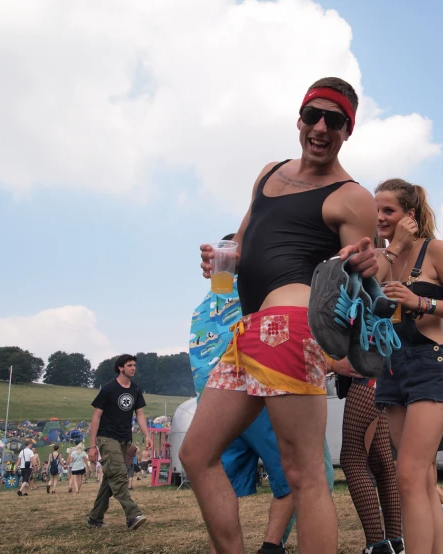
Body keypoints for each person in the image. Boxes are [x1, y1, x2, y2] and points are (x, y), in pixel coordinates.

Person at [181, 77, 379, 554]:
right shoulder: (269, 173)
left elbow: (376, 264)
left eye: (336, 121)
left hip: (291, 324)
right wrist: (221, 257)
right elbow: (245, 240)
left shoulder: (352, 196)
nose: (321, 127)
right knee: (196, 453)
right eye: (314, 115)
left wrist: (376, 263)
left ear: (347, 132)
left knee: (305, 473)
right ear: (300, 119)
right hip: (246, 328)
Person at [188, 233, 337, 554]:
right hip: (259, 382)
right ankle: (272, 547)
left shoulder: (205, 302)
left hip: (211, 399)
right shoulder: (263, 286)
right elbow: (280, 328)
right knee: (309, 473)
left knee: (216, 480)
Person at [373, 178, 443, 554]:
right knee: (421, 475)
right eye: (376, 210)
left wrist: (421, 303)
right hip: (390, 367)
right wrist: (391, 249)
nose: (380, 217)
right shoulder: (379, 257)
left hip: (430, 364)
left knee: (410, 476)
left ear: (409, 215)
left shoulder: (435, 251)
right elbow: (357, 299)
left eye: (389, 210)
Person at [339, 362, 403, 554]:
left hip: (366, 376)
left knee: (352, 459)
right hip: (384, 376)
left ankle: (376, 545)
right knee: (382, 462)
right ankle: (395, 541)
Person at [86, 354, 153, 531]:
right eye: (130, 365)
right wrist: (92, 446)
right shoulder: (108, 389)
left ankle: (95, 518)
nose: (133, 368)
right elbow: (96, 417)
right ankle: (133, 515)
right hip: (107, 438)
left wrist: (147, 435)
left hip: (125, 439)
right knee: (118, 475)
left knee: (109, 480)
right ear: (120, 368)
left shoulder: (136, 389)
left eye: (134, 365)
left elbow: (139, 414)